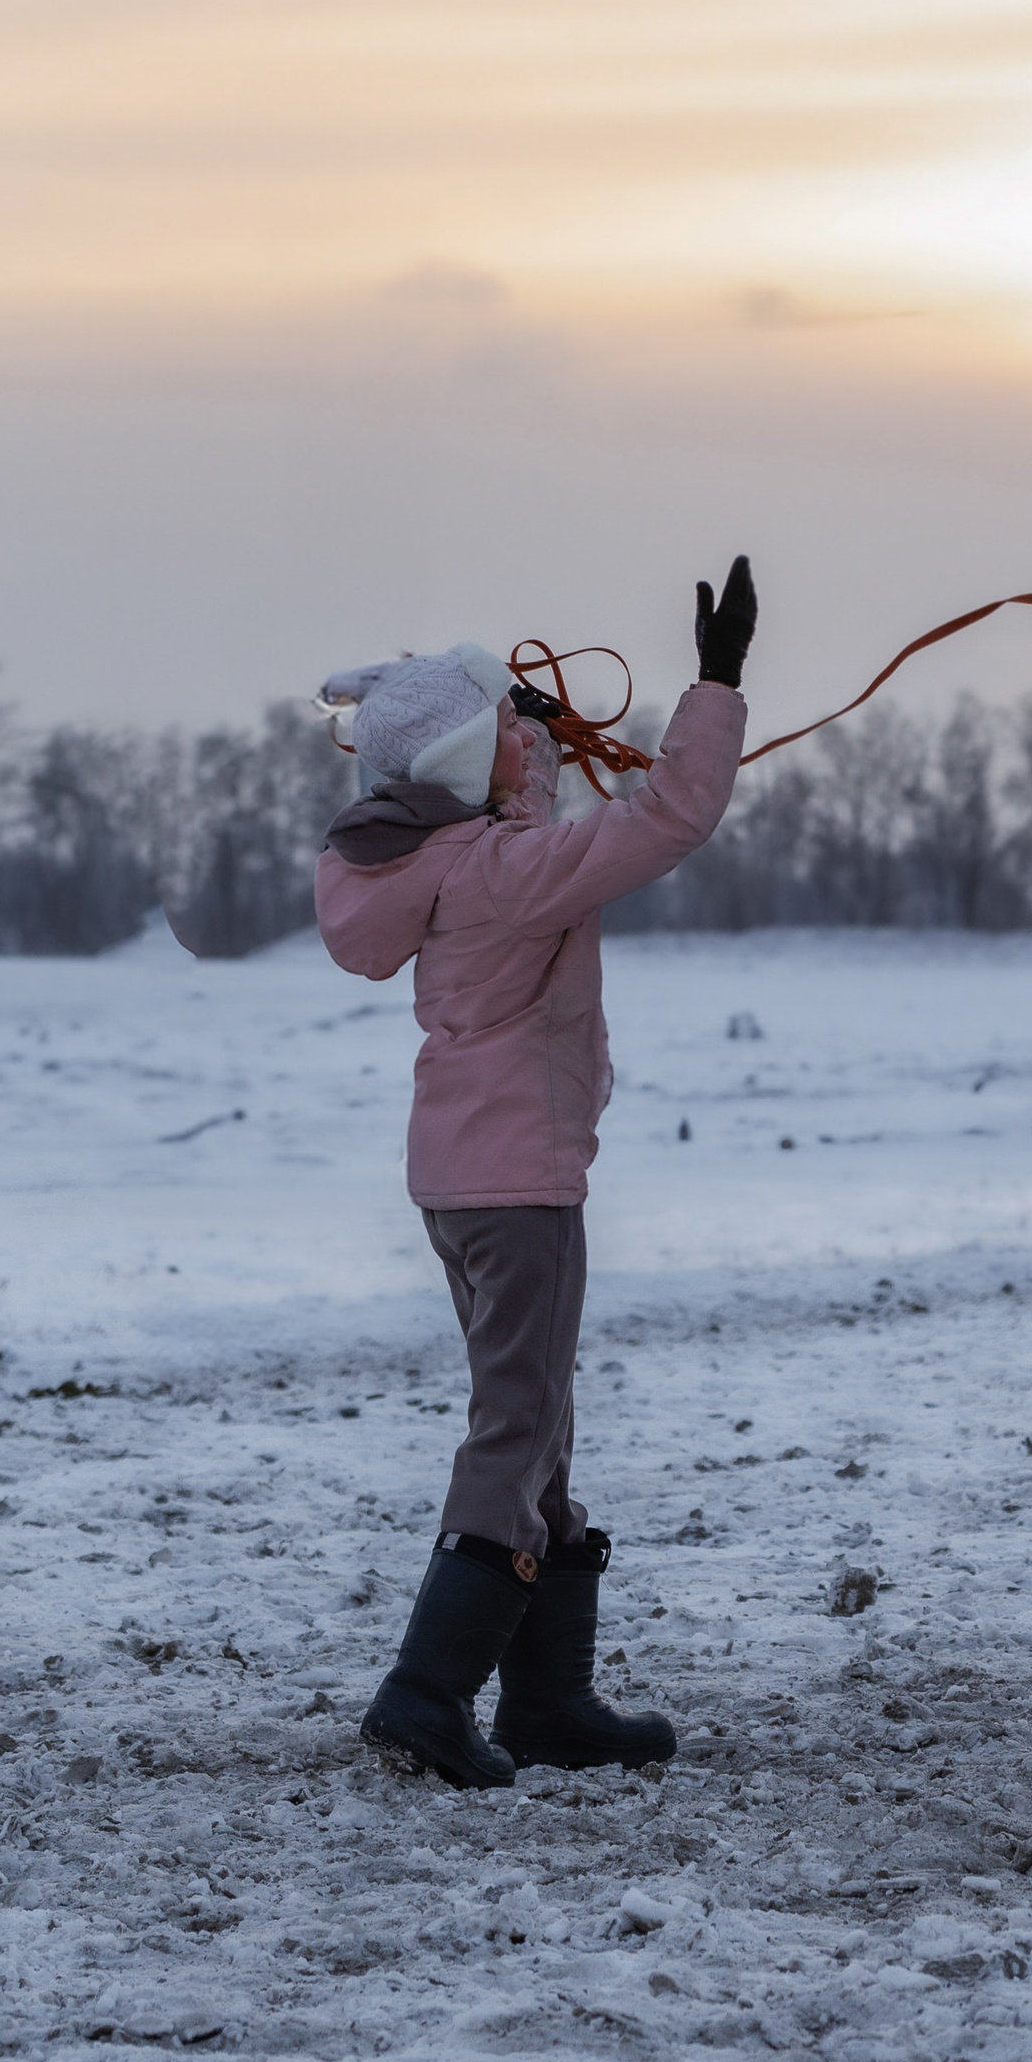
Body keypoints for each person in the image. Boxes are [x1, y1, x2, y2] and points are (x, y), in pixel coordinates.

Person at [314, 560, 757, 1788]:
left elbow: (525, 798)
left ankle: (551, 1704)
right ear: (477, 760)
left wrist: (513, 737)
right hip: (518, 1186)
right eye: (506, 718)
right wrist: (716, 685)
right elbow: (666, 819)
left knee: (537, 1426)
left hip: (462, 1184)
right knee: (516, 1428)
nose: (528, 719)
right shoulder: (508, 874)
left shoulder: (444, 854)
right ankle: (426, 1691)